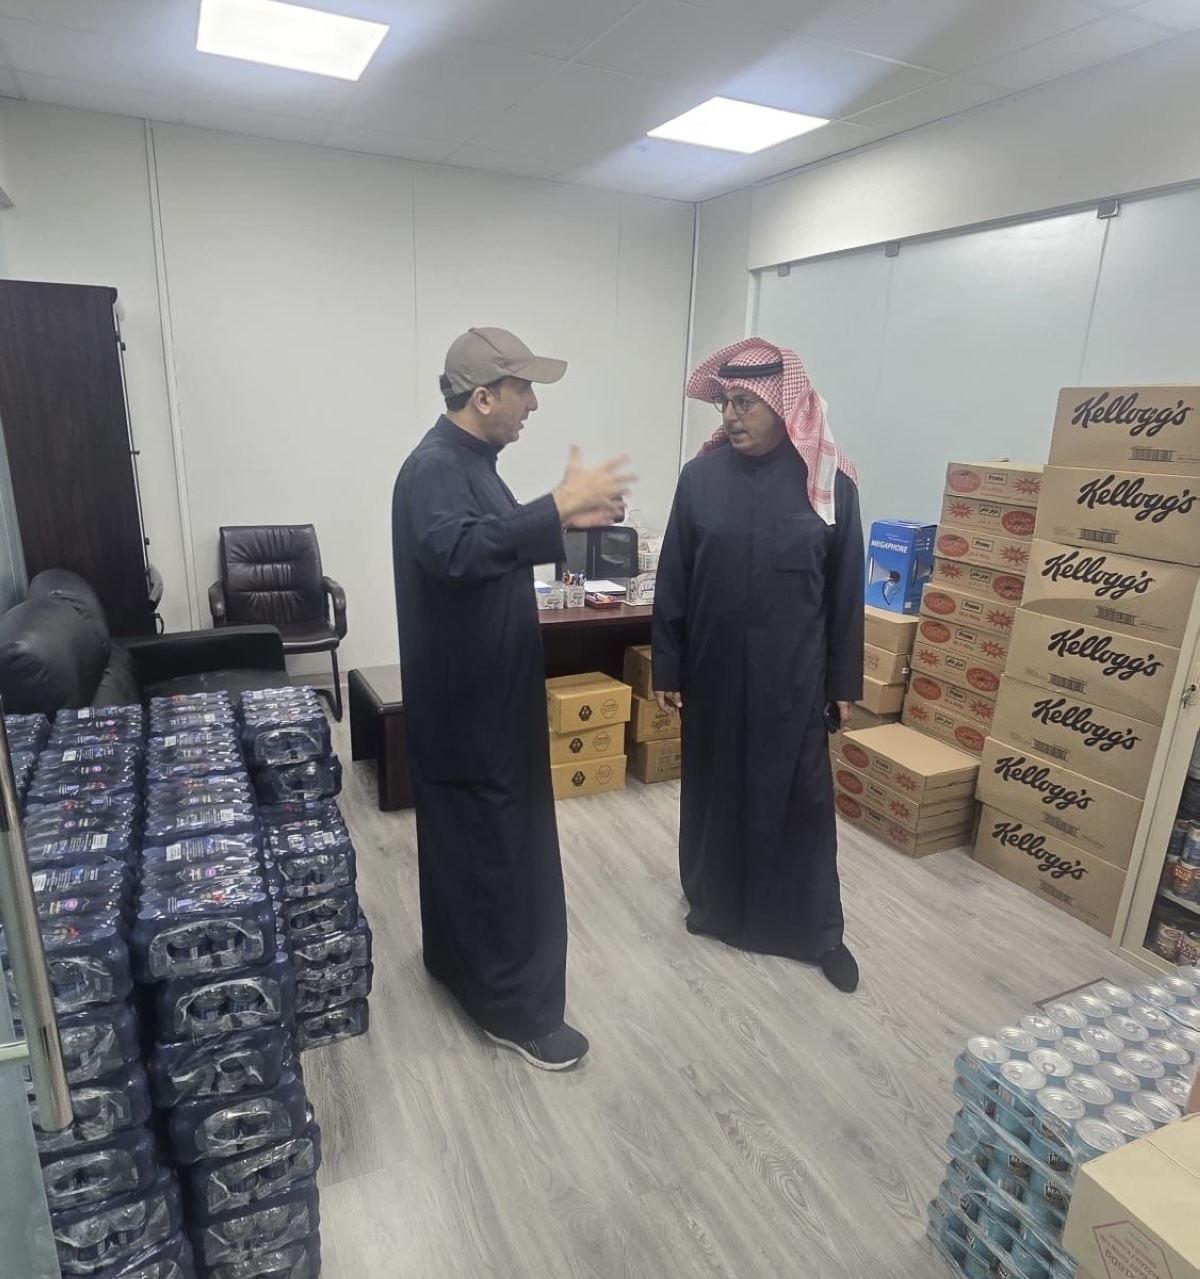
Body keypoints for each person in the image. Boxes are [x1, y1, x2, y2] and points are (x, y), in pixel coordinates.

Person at [391, 327, 633, 1070]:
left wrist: (561, 519)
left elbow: (485, 538)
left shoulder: (469, 465)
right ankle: (514, 1010)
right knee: (500, 854)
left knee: (472, 845)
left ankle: (458, 967)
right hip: (473, 706)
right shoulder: (435, 468)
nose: (532, 404)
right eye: (522, 389)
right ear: (483, 396)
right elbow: (457, 550)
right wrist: (557, 503)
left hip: (479, 697)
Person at [651, 338, 864, 992]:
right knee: (715, 792)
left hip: (792, 680)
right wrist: (668, 668)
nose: (730, 415)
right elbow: (674, 579)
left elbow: (845, 590)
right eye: (725, 402)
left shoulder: (828, 481)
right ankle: (714, 907)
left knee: (801, 800)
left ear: (783, 402)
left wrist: (843, 681)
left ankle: (816, 932)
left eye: (744, 402)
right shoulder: (699, 480)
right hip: (713, 674)